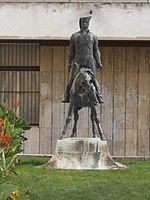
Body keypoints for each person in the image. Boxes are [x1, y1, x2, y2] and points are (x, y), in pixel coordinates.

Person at [62, 16, 104, 104]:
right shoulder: (74, 36)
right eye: (83, 23)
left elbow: (96, 50)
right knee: (72, 78)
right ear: (80, 24)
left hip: (89, 60)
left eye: (86, 23)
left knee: (94, 79)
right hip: (78, 61)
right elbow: (71, 51)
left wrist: (99, 62)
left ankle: (99, 96)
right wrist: (69, 62)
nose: (85, 25)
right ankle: (66, 96)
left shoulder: (93, 36)